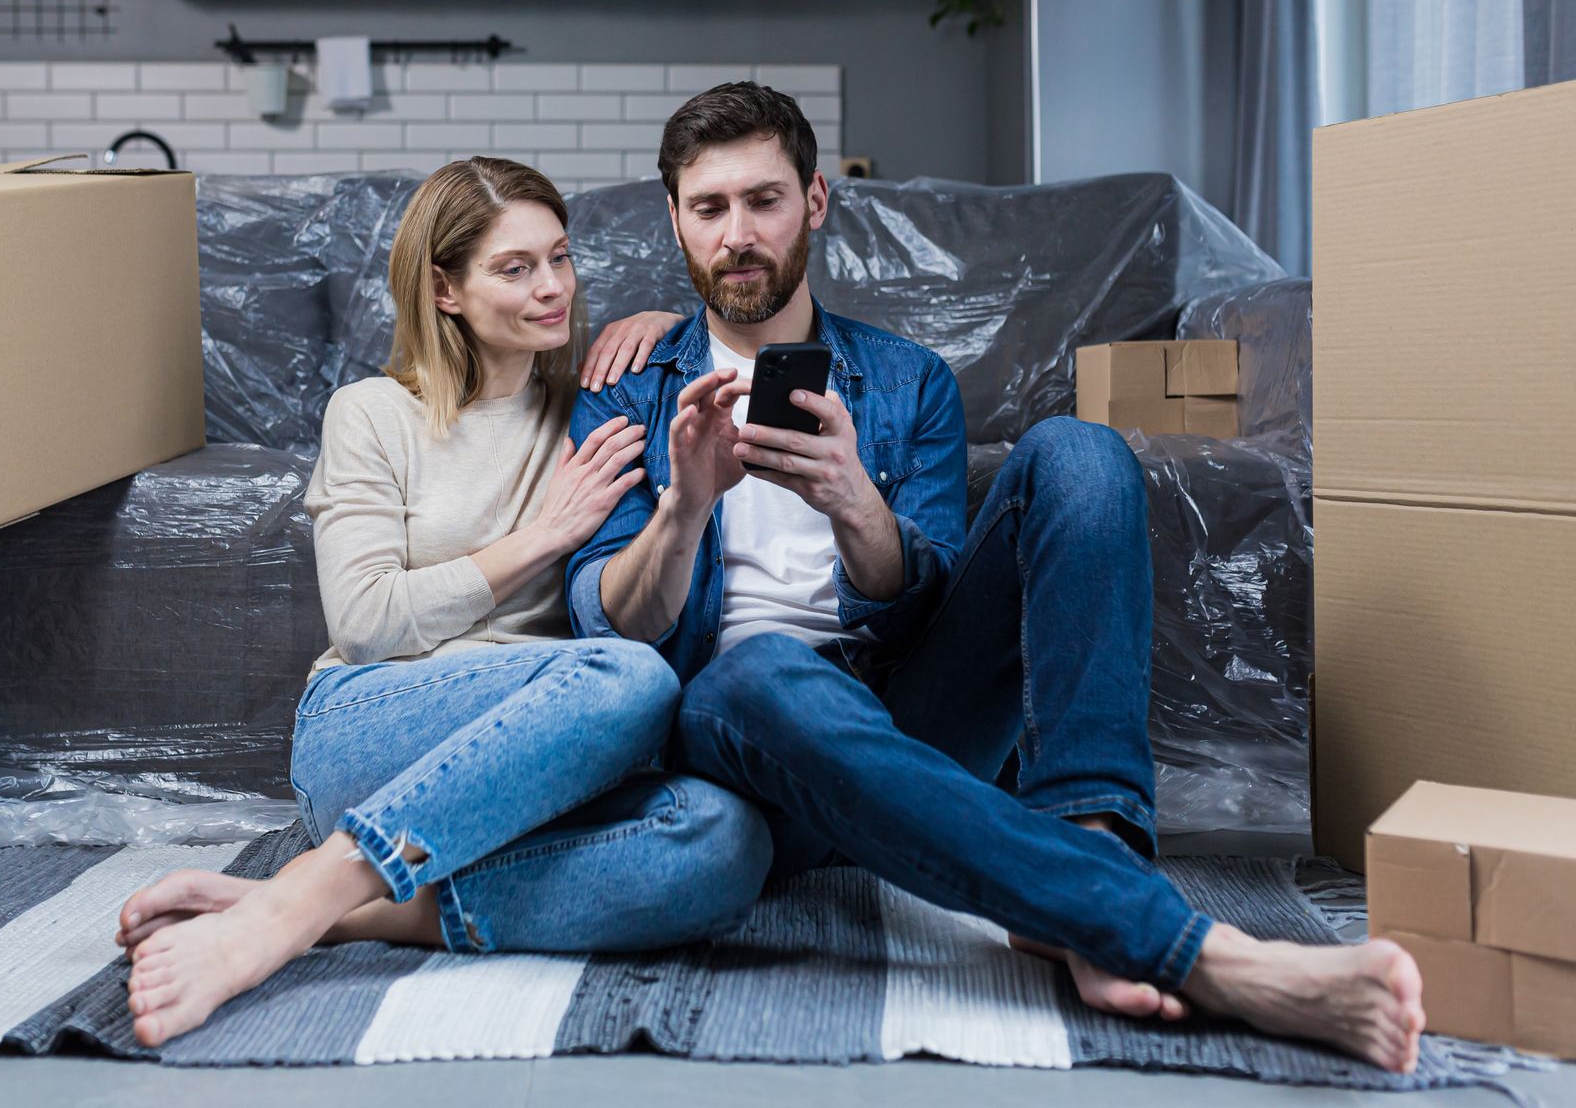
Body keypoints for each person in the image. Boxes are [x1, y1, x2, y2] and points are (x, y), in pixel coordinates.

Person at [566, 83, 1427, 1074]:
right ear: (673, 218)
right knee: (762, 668)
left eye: (763, 200)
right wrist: (685, 505)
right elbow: (611, 625)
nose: (738, 234)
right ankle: (1169, 939)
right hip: (739, 733)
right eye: (708, 207)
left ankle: (1092, 852)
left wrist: (854, 497)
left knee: (1079, 450)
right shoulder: (626, 388)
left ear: (815, 201)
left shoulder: (905, 381)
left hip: (902, 711)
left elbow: (925, 597)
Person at [112, 157, 772, 1048]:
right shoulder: (372, 414)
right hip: (371, 727)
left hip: (537, 761)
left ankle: (335, 909)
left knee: (726, 839)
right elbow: (368, 623)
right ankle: (307, 895)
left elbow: (714, 354)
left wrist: (670, 327)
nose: (552, 289)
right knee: (632, 679)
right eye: (515, 268)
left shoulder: (592, 408)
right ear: (444, 289)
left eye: (561, 259)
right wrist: (540, 536)